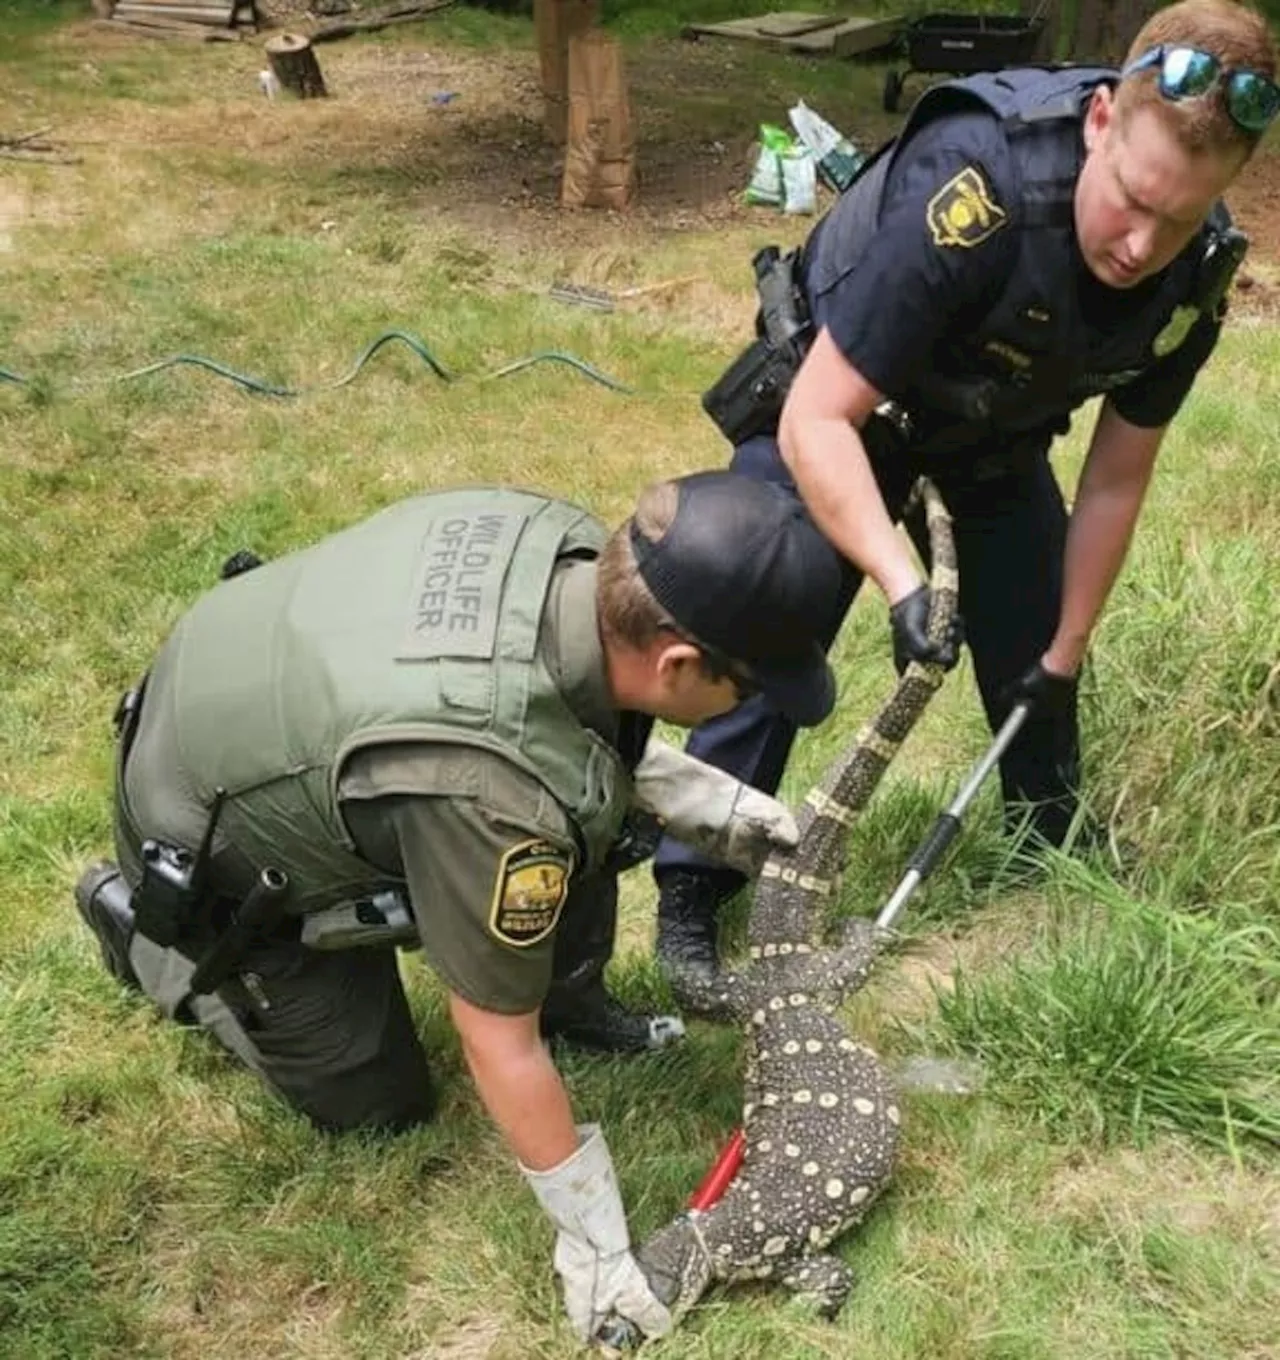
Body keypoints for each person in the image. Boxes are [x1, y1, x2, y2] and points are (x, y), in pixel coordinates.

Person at [73, 470, 847, 1344]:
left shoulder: (567, 547)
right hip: (208, 831)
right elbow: (492, 1036)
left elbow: (546, 716)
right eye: (746, 689)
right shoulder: (491, 796)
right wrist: (593, 1243)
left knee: (576, 814)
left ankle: (572, 1000)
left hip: (252, 678)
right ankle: (145, 937)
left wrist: (691, 793)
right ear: (676, 663)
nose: (747, 706)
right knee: (377, 1103)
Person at [655, 0, 1278, 983]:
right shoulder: (975, 185)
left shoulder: (1191, 277)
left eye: (1176, 217)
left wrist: (1064, 649)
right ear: (1100, 122)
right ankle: (693, 890)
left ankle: (1049, 863)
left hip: (991, 424)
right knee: (769, 599)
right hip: (847, 393)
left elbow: (1118, 474)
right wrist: (901, 584)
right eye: (1128, 200)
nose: (1136, 246)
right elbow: (816, 418)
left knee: (1036, 649)